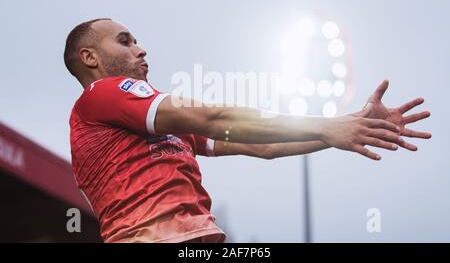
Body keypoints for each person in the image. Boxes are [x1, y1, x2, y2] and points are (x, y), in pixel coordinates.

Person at [64, 18, 431, 243]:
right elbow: (215, 118)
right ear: (90, 57)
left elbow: (262, 146)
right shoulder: (101, 95)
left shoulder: (155, 123)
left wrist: (353, 124)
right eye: (125, 41)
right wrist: (330, 126)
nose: (141, 49)